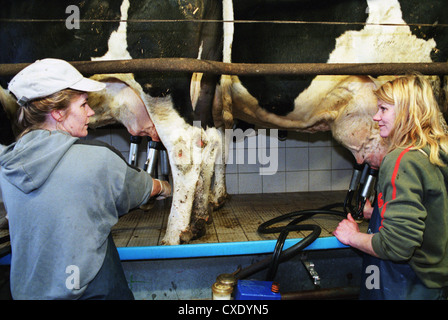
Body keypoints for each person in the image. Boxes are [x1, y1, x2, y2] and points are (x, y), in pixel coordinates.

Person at [0, 58, 171, 300]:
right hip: (92, 292)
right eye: (83, 105)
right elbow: (144, 188)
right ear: (58, 113)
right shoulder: (98, 160)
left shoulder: (5, 165)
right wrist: (165, 187)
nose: (91, 112)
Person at [334, 74, 448, 300]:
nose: (376, 118)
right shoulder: (436, 151)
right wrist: (376, 211)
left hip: (409, 284)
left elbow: (398, 246)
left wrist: (352, 237)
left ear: (407, 111)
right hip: (435, 280)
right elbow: (432, 209)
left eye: (384, 109)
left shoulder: (401, 159)